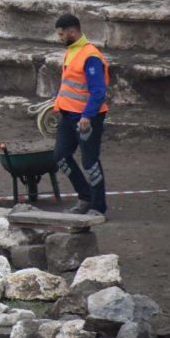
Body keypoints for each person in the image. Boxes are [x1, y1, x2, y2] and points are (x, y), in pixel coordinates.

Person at [52, 14, 109, 216]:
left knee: (90, 162)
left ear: (72, 32)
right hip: (68, 115)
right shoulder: (72, 51)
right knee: (60, 156)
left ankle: (97, 207)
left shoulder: (90, 56)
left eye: (61, 34)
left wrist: (87, 116)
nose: (59, 38)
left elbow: (98, 91)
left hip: (86, 119)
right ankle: (85, 196)